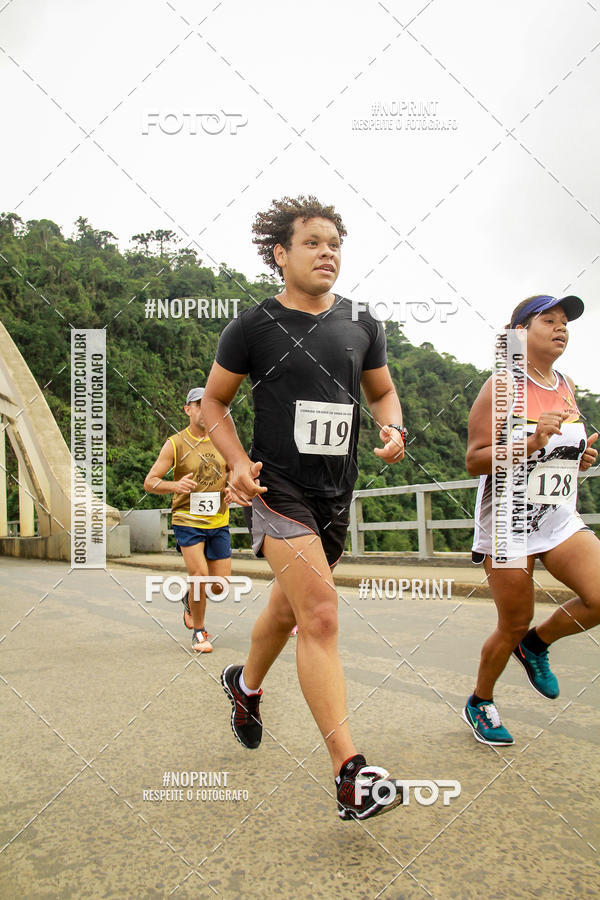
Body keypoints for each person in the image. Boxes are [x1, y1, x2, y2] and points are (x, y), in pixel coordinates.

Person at [202, 195, 408, 821]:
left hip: (334, 492)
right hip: (278, 488)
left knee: (286, 611)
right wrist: (237, 463)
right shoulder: (253, 326)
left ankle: (245, 685)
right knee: (319, 614)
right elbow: (214, 404)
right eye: (313, 243)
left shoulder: (361, 324)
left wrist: (394, 428)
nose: (328, 253)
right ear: (280, 254)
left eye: (335, 245)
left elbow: (384, 391)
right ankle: (350, 774)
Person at [464, 295, 599, 745]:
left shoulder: (566, 385)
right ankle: (480, 701)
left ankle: (537, 646)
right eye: (550, 320)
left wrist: (576, 458)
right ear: (520, 333)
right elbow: (475, 460)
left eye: (565, 322)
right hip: (508, 524)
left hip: (558, 518)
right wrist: (532, 442)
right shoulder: (499, 387)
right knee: (513, 623)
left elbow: (555, 449)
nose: (561, 328)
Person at [144, 387, 232, 653]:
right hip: (187, 519)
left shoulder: (223, 440)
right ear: (188, 410)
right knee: (199, 576)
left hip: (218, 520)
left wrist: (232, 490)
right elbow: (150, 482)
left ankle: (187, 598)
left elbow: (233, 474)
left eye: (208, 404)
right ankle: (199, 632)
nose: (204, 409)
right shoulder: (175, 443)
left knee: (219, 587)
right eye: (198, 404)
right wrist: (175, 486)